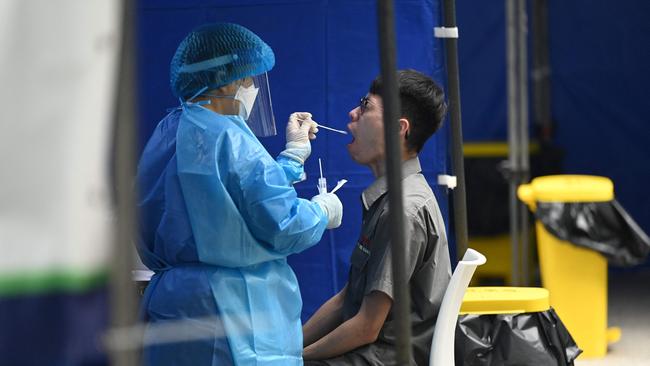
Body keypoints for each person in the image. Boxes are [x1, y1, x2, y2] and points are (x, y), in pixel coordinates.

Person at [136, 23, 343, 366]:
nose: (251, 88)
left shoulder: (167, 132)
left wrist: (292, 159)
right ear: (228, 80)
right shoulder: (231, 138)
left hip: (173, 304)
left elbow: (228, 201)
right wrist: (322, 210)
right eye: (248, 79)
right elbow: (282, 224)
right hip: (233, 309)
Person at [302, 69, 452, 365]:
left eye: (366, 106)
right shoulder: (390, 201)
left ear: (398, 128)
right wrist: (286, 349)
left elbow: (366, 328)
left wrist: (293, 359)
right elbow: (346, 300)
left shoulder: (404, 210)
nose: (353, 113)